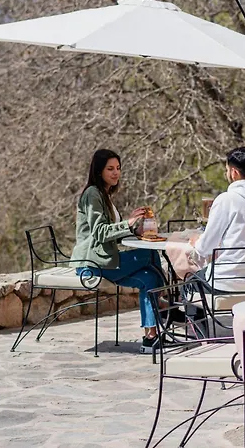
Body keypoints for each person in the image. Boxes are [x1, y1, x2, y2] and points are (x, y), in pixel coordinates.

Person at [70, 149, 165, 354]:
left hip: (104, 260)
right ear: (99, 171)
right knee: (150, 255)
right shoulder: (92, 194)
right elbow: (100, 233)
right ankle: (164, 303)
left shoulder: (104, 195)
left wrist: (134, 229)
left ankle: (150, 338)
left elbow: (111, 233)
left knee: (149, 278)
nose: (116, 173)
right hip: (91, 264)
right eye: (110, 169)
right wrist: (128, 223)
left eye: (118, 168)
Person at [189, 146, 245, 293]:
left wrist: (196, 242)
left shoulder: (227, 199)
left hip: (226, 280)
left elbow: (205, 248)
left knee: (187, 286)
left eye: (227, 170)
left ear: (234, 172)